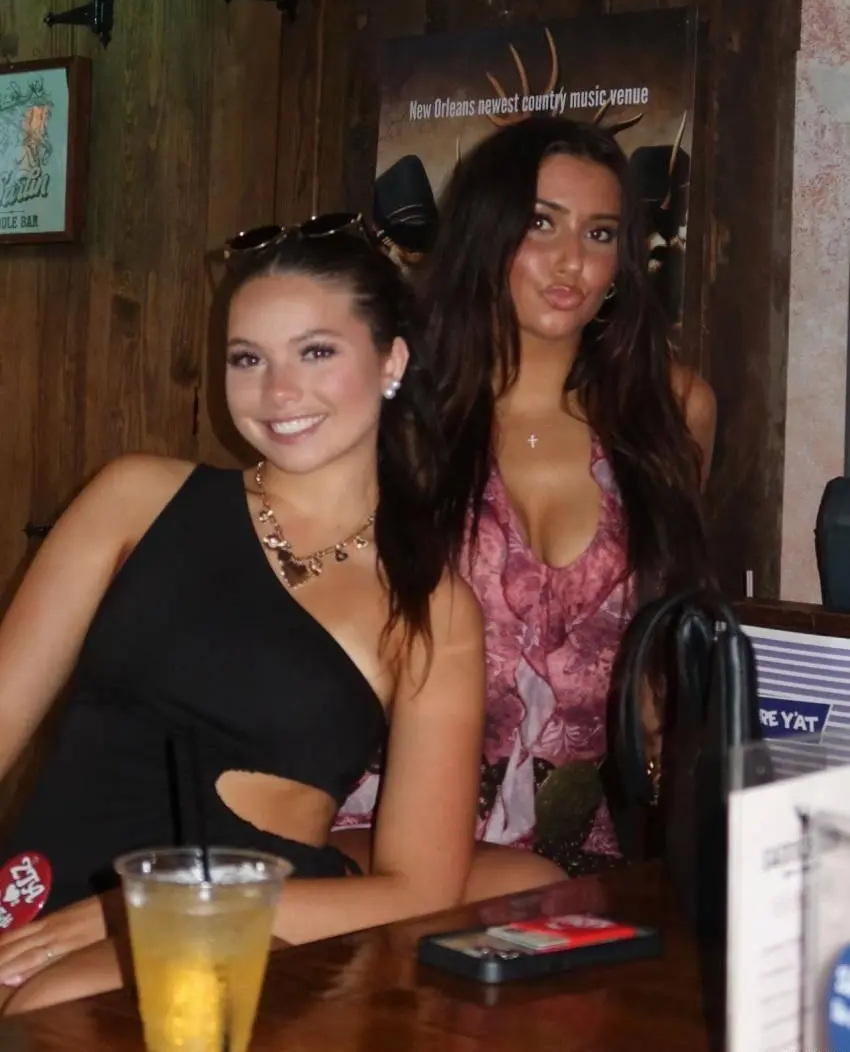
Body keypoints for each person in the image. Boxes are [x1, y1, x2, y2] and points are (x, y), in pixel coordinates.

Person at [0, 220, 484, 1012]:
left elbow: (420, 887)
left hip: (235, 929)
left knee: (59, 1005)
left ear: (392, 361)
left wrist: (158, 907)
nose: (278, 391)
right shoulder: (135, 498)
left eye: (316, 352)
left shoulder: (431, 603)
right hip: (38, 908)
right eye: (248, 359)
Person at [333, 116, 715, 884]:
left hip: (573, 846)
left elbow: (661, 631)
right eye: (542, 223)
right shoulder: (396, 409)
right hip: (380, 824)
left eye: (600, 233)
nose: (572, 259)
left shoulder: (673, 411)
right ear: (487, 232)